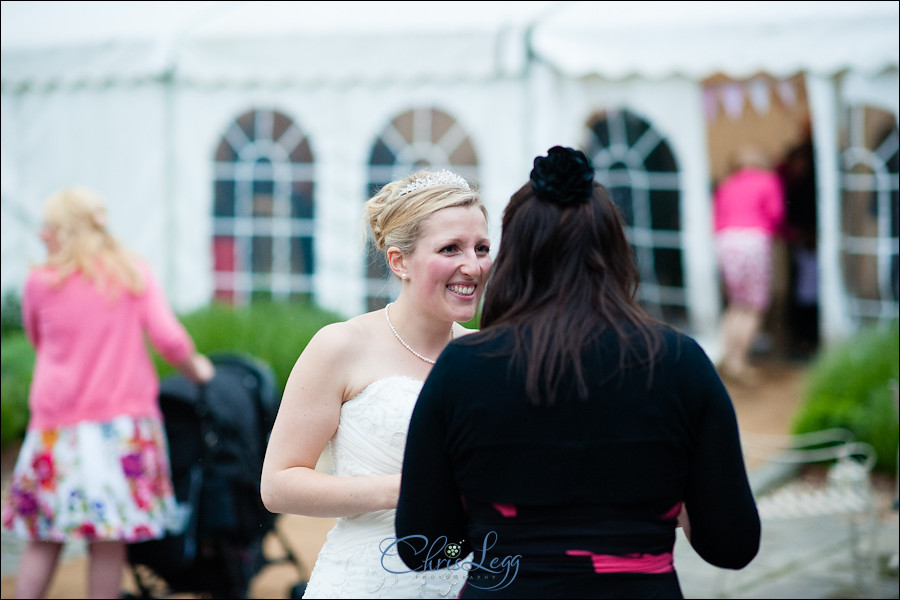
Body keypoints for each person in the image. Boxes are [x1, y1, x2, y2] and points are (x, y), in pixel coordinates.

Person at [395, 147, 760, 598]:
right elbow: (733, 545)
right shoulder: (680, 362)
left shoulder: (465, 368)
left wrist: (494, 530)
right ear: (615, 250)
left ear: (516, 255)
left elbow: (423, 547)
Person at [260, 169, 492, 599]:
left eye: (481, 248)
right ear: (399, 261)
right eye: (450, 249)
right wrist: (410, 490)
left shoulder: (489, 353)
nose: (473, 265)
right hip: (367, 582)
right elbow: (278, 484)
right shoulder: (341, 345)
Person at [1, 186, 215, 599]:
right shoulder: (132, 273)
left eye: (48, 226)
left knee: (43, 538)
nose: (42, 234)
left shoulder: (40, 282)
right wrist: (199, 369)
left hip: (55, 430)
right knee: (108, 542)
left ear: (66, 229)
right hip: (122, 430)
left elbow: (38, 339)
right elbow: (169, 340)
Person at [713, 145, 786, 384]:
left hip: (726, 242)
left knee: (736, 303)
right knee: (753, 305)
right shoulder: (768, 181)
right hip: (754, 242)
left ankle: (725, 355)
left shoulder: (727, 184)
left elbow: (717, 218)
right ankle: (739, 362)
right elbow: (776, 214)